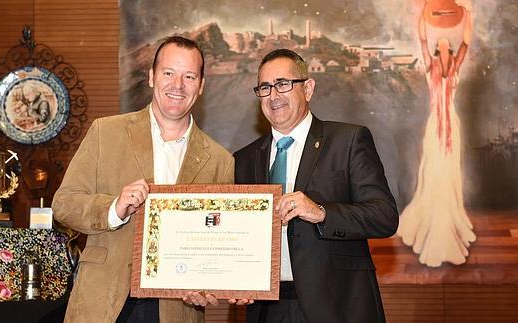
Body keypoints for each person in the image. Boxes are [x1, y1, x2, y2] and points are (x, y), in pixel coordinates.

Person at [52, 36, 234, 323]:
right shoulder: (105, 132)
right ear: (151, 77)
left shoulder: (220, 161)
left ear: (201, 86)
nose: (178, 85)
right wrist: (114, 208)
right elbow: (64, 204)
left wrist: (207, 285)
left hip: (176, 311)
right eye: (168, 73)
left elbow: (218, 242)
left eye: (189, 76)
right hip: (105, 304)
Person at [234, 49, 398, 323]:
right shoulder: (243, 159)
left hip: (337, 305)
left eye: (283, 84)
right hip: (265, 310)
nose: (274, 95)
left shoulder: (348, 140)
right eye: (265, 87)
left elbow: (384, 217)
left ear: (308, 88)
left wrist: (322, 212)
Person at [397, 0, 475, 267]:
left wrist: (469, 17)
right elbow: (421, 40)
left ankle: (450, 220)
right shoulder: (430, 72)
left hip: (452, 127)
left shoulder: (454, 72)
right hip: (435, 129)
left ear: (449, 54)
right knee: (433, 173)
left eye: (445, 48)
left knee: (449, 173)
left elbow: (465, 45)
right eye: (438, 47)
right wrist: (422, 15)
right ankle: (432, 221)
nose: (441, 50)